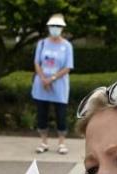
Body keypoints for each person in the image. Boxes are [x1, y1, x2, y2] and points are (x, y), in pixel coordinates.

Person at [31, 14, 74, 155]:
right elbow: (37, 63)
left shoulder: (67, 46)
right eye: (52, 26)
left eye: (58, 27)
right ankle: (43, 142)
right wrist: (43, 78)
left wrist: (52, 79)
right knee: (41, 114)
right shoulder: (42, 43)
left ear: (62, 28)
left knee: (60, 114)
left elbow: (68, 67)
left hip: (59, 86)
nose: (55, 29)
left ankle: (62, 143)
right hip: (41, 85)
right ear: (48, 27)